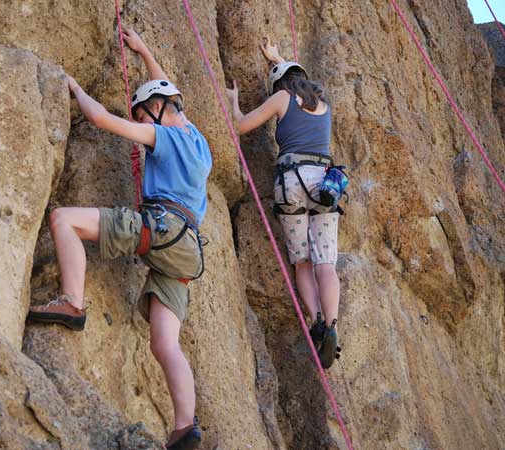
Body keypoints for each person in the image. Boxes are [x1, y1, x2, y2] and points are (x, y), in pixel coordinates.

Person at [26, 27, 210, 449]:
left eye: (145, 114)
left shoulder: (164, 135)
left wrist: (73, 86)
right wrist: (144, 49)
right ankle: (185, 425)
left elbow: (103, 121)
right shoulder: (198, 141)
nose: (141, 122)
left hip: (160, 229)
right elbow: (169, 93)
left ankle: (72, 301)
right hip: (185, 252)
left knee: (63, 220)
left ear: (161, 109)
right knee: (165, 343)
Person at [225, 38, 341, 369]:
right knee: (326, 263)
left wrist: (234, 102)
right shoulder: (323, 104)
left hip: (292, 179)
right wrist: (277, 57)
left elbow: (242, 125)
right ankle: (332, 324)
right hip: (325, 182)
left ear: (280, 83)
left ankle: (316, 319)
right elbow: (293, 71)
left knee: (302, 261)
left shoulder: (281, 96)